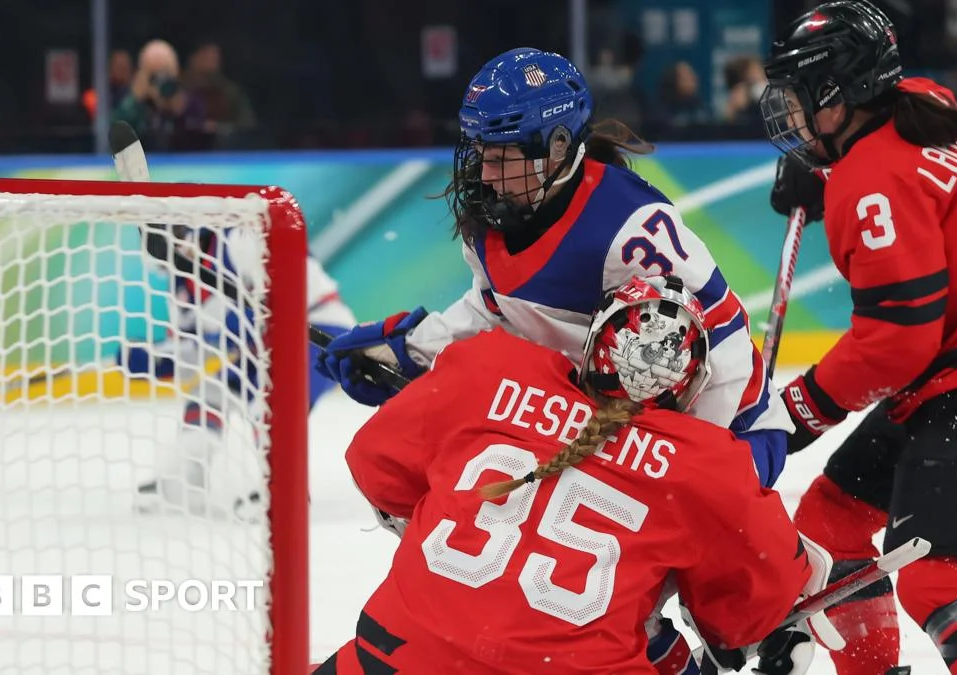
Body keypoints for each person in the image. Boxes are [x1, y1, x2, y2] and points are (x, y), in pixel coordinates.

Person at [316, 47, 792, 490]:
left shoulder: (630, 228)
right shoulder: (499, 217)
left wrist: (689, 469)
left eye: (501, 158)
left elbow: (723, 341)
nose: (485, 175)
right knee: (401, 462)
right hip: (616, 426)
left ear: (558, 146)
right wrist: (410, 349)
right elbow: (494, 312)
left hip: (729, 433)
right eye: (481, 154)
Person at [314, 275, 842, 675]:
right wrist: (776, 608)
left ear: (591, 348)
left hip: (401, 654)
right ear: (690, 384)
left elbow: (375, 465)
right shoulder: (708, 463)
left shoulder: (487, 371)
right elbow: (744, 618)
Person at [760, 2, 957, 674]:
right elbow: (909, 186)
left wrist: (796, 413)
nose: (792, 111)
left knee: (936, 578)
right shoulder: (922, 102)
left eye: (805, 95)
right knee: (828, 521)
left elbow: (897, 341)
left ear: (842, 94)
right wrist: (824, 169)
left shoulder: (873, 187)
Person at [122, 223, 356, 518]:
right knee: (208, 396)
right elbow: (193, 348)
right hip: (266, 346)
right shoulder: (181, 284)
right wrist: (154, 357)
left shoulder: (240, 241)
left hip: (317, 332)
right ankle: (185, 484)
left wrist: (253, 313)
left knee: (272, 403)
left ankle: (284, 491)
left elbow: (299, 281)